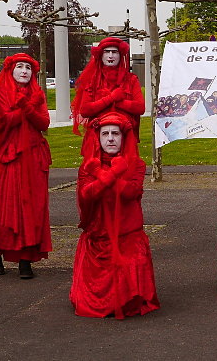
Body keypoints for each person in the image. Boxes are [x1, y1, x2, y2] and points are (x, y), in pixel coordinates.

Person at [71, 112, 160, 319]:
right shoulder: (88, 165)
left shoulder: (136, 164)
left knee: (128, 297)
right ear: (98, 137)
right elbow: (86, 195)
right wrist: (111, 174)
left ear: (123, 137)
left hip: (127, 234)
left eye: (115, 134)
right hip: (98, 235)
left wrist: (103, 175)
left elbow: (132, 193)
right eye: (105, 134)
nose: (110, 138)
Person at [0, 53, 52, 279]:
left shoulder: (37, 93)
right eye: (20, 66)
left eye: (28, 67)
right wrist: (26, 108)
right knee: (6, 207)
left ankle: (26, 261)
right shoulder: (0, 93)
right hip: (9, 156)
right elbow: (4, 121)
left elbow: (44, 122)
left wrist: (27, 106)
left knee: (33, 208)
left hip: (34, 157)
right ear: (11, 70)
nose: (25, 71)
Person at [72, 37, 144, 156]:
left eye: (114, 52)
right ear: (101, 55)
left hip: (124, 136)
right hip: (97, 136)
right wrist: (111, 98)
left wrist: (116, 101)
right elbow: (85, 110)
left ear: (120, 55)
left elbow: (139, 108)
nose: (110, 55)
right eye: (107, 52)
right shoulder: (92, 81)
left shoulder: (131, 80)